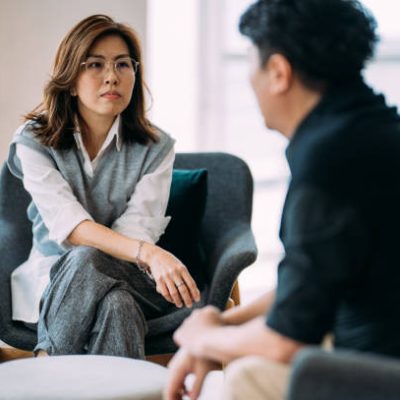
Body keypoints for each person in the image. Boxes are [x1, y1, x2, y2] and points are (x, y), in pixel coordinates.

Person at [165, 0, 400, 398]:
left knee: (247, 374)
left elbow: (285, 339)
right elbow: (314, 282)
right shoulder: (376, 131)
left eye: (251, 66)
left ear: (278, 72)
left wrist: (201, 338)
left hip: (380, 373)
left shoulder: (327, 163)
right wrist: (224, 324)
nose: (250, 82)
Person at [7, 14, 200, 358]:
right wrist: (151, 254)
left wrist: (142, 252)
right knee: (117, 304)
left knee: (93, 262)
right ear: (69, 79)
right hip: (53, 279)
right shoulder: (33, 141)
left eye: (123, 64)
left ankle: (47, 369)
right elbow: (71, 228)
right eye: (95, 64)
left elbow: (137, 227)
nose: (112, 76)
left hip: (128, 273)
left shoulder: (158, 148)